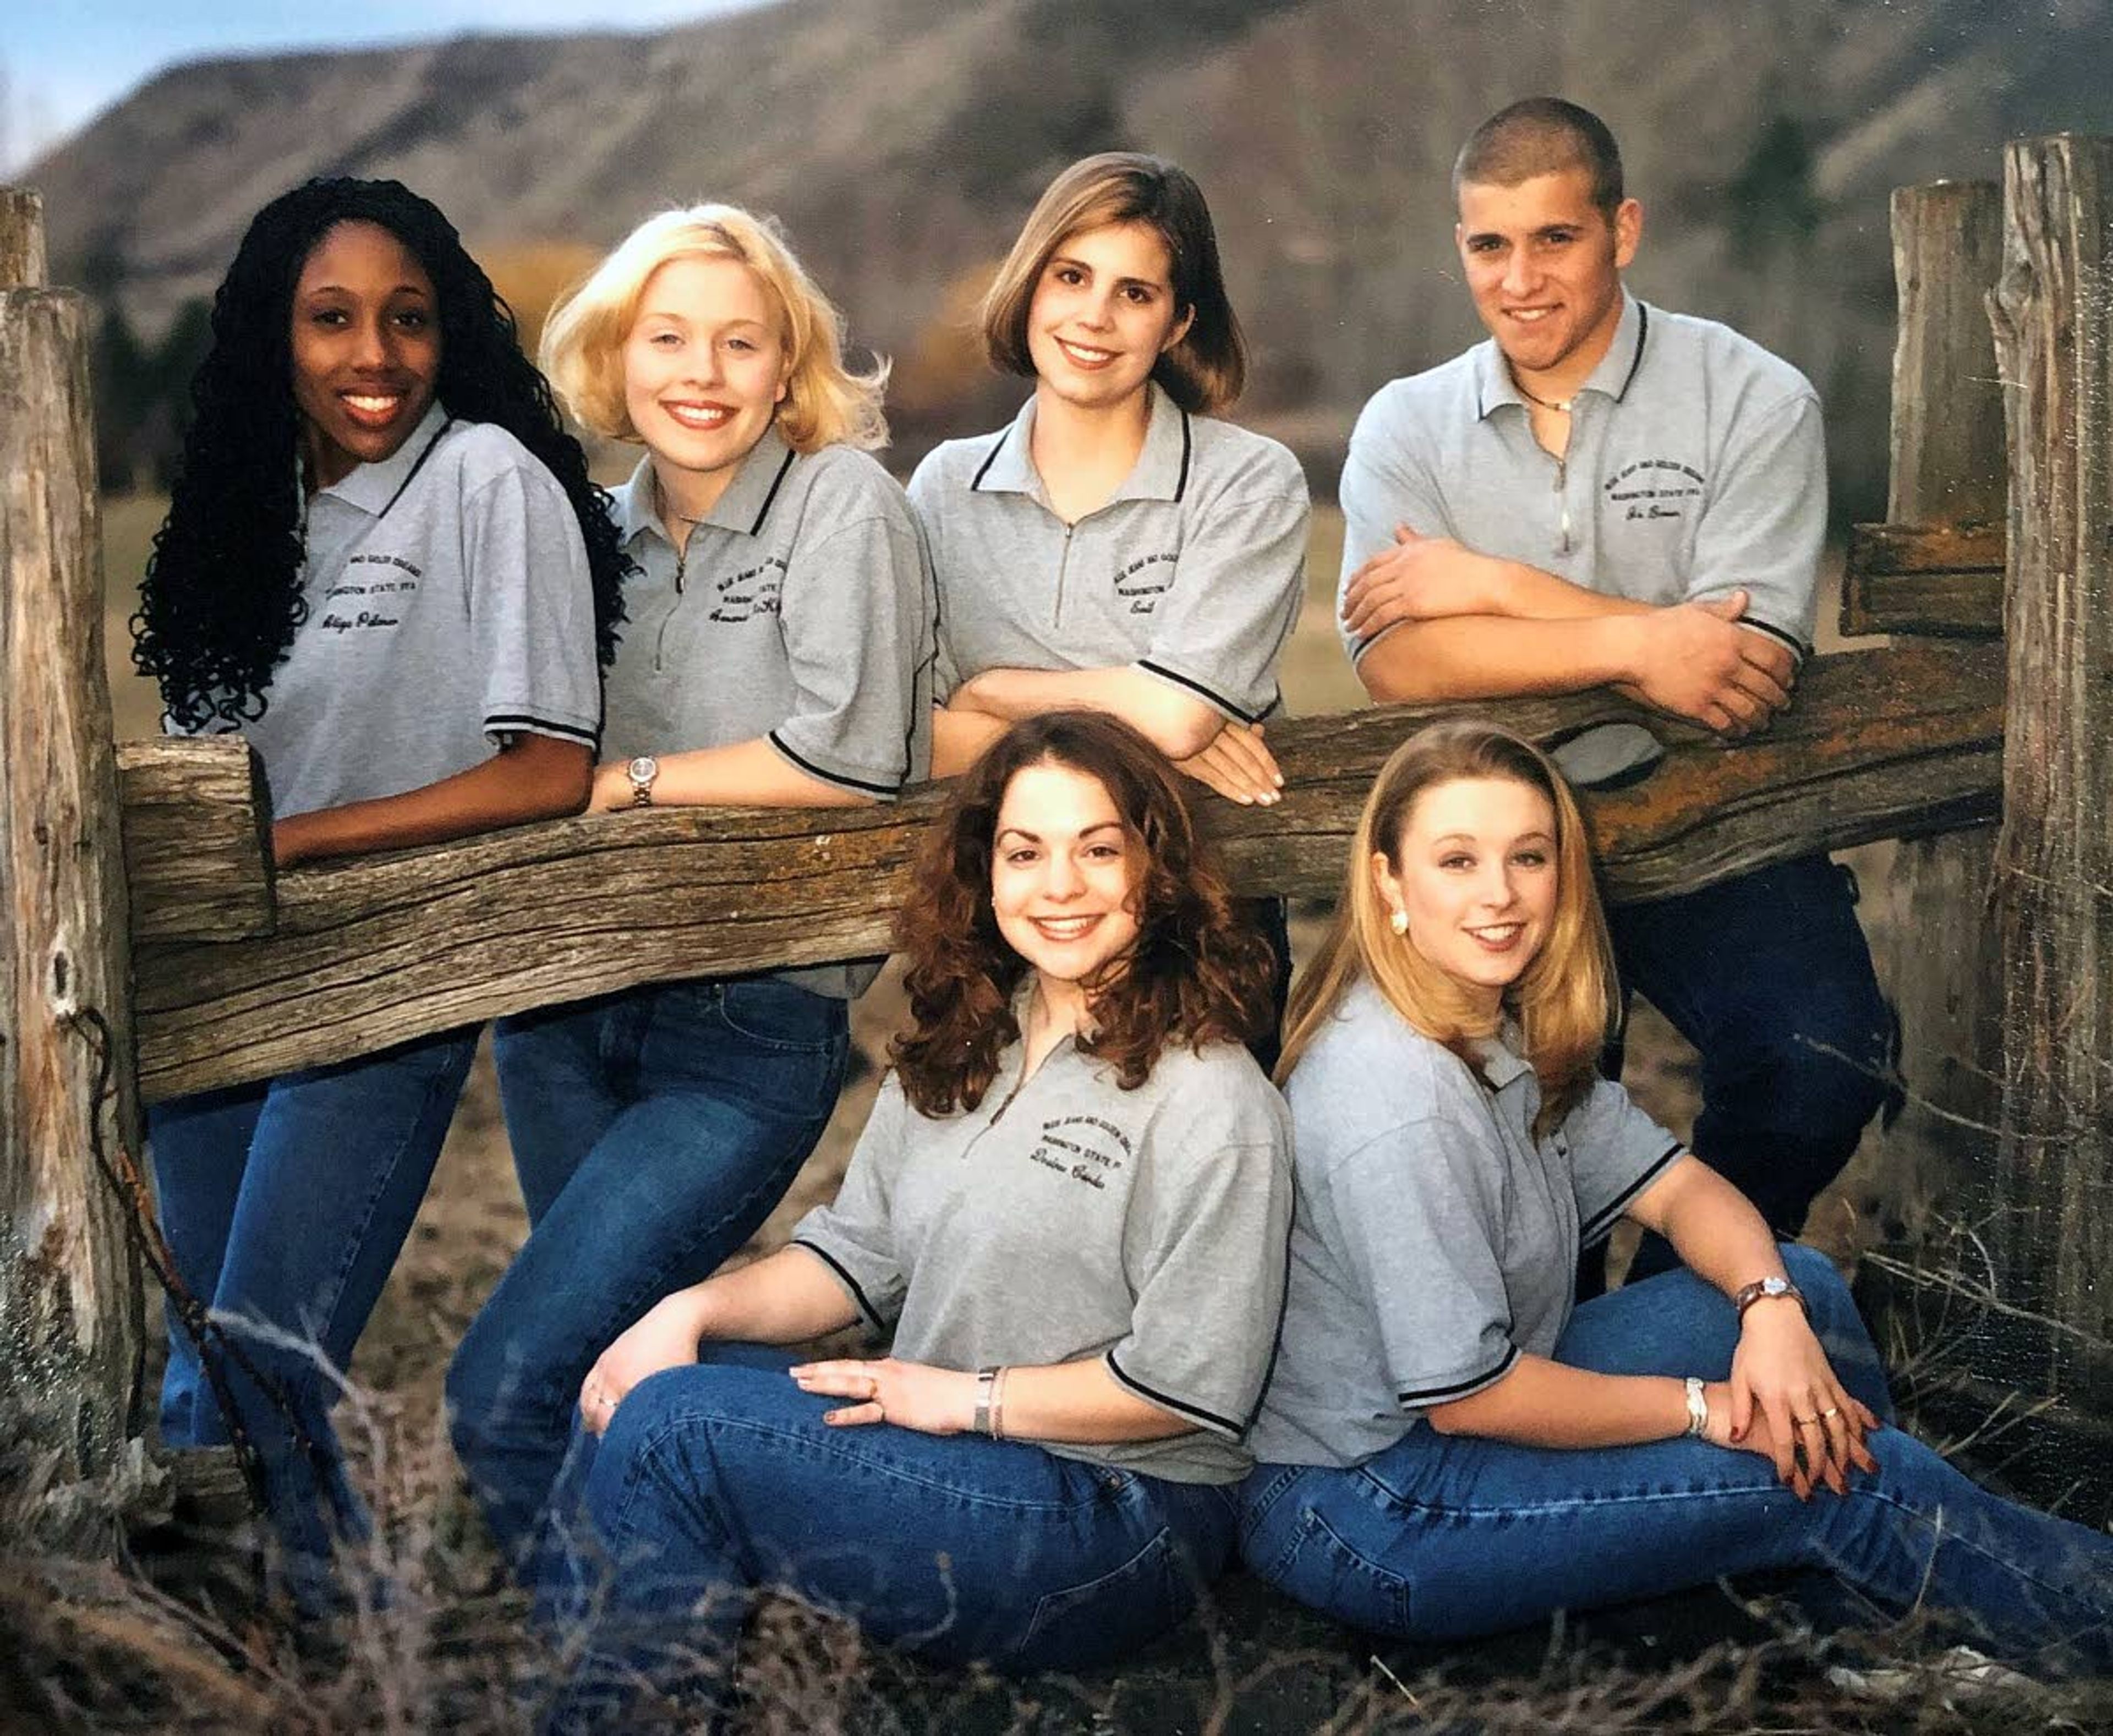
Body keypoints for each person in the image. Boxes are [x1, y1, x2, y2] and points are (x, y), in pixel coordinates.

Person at [1240, 719, 2113, 1671]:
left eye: (1528, 857)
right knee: (1835, 1478)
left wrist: (1769, 1312)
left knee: (1806, 1293)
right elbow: (1470, 1398)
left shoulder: (1490, 1025)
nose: (1500, 895)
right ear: (1387, 885)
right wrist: (1708, 1410)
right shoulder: (1394, 1098)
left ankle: (1863, 1626)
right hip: (1374, 1506)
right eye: (1458, 860)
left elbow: (1684, 1191)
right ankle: (2054, 1620)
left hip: (1455, 1426)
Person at [538, 711, 1293, 1725]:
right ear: (986, 872)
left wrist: (962, 1398)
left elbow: (1193, 1392)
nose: (1060, 886)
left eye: (1098, 849)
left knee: (681, 1431)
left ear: (1155, 870)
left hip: (1121, 1513)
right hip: (950, 1457)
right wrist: (689, 1313)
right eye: (1026, 853)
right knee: (643, 1384)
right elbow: (854, 1261)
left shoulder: (1213, 1093)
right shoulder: (965, 1043)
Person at [131, 177, 626, 1603]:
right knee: (207, 1362)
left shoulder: (490, 479)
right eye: (332, 318)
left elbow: (546, 770)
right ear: (270, 335)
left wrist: (297, 843)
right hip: (218, 993)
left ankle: (245, 1663)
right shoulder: (244, 511)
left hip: (384, 985)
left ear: (451, 331)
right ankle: (331, 1644)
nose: (375, 355)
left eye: (409, 319)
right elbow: (202, 770)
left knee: (254, 1368)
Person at [1334, 98, 1893, 1285]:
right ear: (1461, 247)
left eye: (1556, 240)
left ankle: (1682, 1309)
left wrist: (1485, 587)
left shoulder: (1754, 396)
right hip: (1501, 851)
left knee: (1822, 1062)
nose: (1520, 280)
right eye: (1491, 245)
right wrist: (1644, 645)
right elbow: (1397, 664)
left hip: (1716, 820)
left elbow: (1740, 678)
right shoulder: (1409, 423)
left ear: (1623, 230)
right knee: (1527, 1143)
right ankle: (1566, 1350)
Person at [446, 204, 934, 1563]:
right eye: (668, 338)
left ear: (788, 368)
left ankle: (614, 1671)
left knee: (504, 1388)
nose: (702, 372)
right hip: (563, 1019)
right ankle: (630, 1619)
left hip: (745, 1031)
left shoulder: (843, 505)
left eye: (740, 342)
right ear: (619, 355)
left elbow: (856, 753)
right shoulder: (584, 535)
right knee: (604, 1361)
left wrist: (634, 784)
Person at [907, 151, 1310, 1063]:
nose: (1095, 316)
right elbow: (921, 738)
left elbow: (1175, 716)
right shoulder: (941, 489)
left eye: (1136, 293)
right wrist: (1141, 716)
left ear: (1179, 323)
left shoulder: (1246, 482)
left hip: (1201, 920)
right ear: (1030, 286)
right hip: (997, 931)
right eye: (1072, 276)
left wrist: (998, 692)